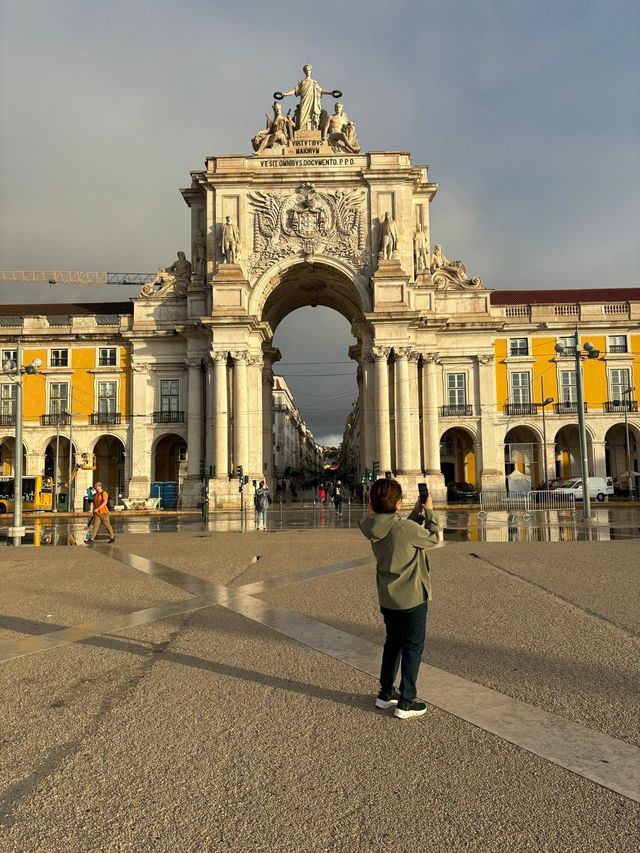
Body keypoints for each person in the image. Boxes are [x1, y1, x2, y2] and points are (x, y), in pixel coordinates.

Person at [359, 478, 440, 719]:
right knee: (413, 647)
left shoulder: (371, 526)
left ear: (372, 502)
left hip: (388, 598)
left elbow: (398, 531)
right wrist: (430, 511)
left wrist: (416, 513)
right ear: (397, 503)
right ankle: (406, 701)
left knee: (393, 643)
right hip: (413, 597)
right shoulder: (404, 529)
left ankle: (385, 694)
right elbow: (433, 537)